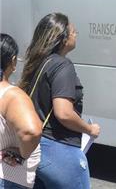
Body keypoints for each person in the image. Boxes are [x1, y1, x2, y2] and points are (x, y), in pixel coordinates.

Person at [18, 13, 101, 189]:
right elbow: (64, 113)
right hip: (59, 150)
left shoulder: (37, 63)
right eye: (73, 31)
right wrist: (89, 129)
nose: (76, 33)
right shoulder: (63, 65)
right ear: (62, 38)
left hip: (35, 149)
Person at [0, 34, 42, 189]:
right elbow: (31, 132)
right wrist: (20, 154)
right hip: (8, 177)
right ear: (12, 60)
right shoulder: (12, 96)